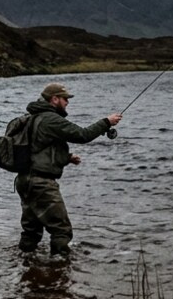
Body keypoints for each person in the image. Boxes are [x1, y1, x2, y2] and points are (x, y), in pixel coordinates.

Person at [15, 82, 122, 257]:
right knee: (61, 230)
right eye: (65, 99)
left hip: (24, 181)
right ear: (54, 99)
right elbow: (83, 135)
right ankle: (60, 271)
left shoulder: (30, 117)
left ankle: (25, 267)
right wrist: (106, 122)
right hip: (41, 184)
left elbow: (36, 148)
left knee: (31, 231)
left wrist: (66, 158)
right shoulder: (50, 119)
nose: (67, 102)